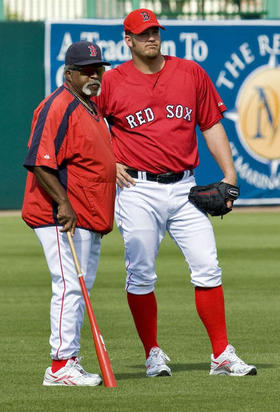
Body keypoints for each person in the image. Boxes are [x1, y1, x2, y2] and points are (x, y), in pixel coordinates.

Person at [94, 9, 257, 377]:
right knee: (141, 274)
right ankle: (152, 353)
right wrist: (108, 161)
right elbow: (89, 124)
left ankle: (221, 355)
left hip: (185, 187)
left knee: (208, 267)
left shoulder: (190, 73)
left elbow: (211, 124)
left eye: (155, 31)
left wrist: (229, 175)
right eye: (143, 33)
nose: (151, 38)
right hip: (136, 189)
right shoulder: (114, 81)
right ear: (128, 40)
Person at [22, 41, 116, 386]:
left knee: (79, 288)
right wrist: (63, 204)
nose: (94, 75)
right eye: (86, 70)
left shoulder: (89, 106)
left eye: (98, 68)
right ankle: (60, 366)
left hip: (86, 215)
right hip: (58, 215)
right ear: (69, 73)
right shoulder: (57, 106)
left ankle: (70, 359)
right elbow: (39, 161)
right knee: (68, 287)